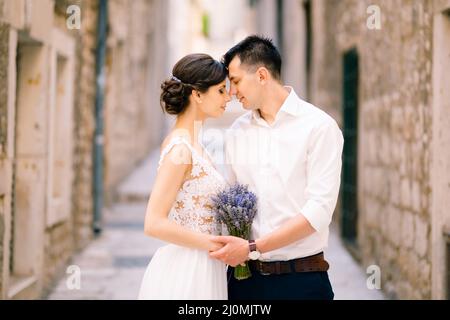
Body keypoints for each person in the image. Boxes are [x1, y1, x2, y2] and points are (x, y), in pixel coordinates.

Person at [209, 36, 344, 300]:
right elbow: (233, 200)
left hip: (302, 281)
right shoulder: (236, 132)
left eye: (235, 81)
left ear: (261, 75)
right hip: (244, 283)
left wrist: (252, 246)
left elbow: (319, 211)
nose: (233, 92)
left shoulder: (319, 127)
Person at [138, 53, 231, 299]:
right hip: (188, 271)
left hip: (207, 266)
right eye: (221, 91)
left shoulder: (194, 144)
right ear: (197, 94)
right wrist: (213, 243)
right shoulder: (180, 148)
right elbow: (154, 223)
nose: (228, 97)